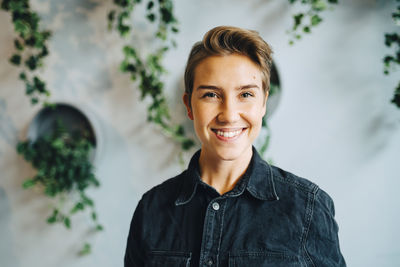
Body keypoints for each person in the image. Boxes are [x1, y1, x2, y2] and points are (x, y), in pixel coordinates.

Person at [124, 26, 346, 267]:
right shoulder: (151, 208)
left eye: (246, 95)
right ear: (189, 105)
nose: (229, 115)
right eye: (211, 95)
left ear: (263, 103)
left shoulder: (308, 207)